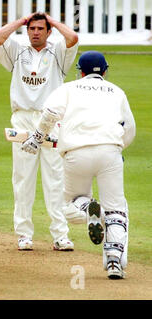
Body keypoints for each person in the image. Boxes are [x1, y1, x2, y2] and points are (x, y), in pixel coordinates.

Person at [21, 51, 136, 279]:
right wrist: (118, 148)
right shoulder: (117, 91)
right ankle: (114, 263)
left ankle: (92, 210)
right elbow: (129, 128)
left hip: (76, 153)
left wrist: (36, 138)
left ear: (80, 71)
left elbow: (51, 114)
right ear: (105, 70)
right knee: (117, 210)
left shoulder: (68, 88)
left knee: (70, 203)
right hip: (110, 152)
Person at [0, 12, 79, 251]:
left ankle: (60, 235)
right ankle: (24, 234)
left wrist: (52, 21)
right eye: (32, 29)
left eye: (40, 29)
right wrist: (21, 21)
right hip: (22, 118)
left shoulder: (58, 51)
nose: (35, 32)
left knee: (55, 179)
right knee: (23, 179)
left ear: (48, 31)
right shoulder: (18, 49)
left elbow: (72, 37)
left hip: (51, 119)